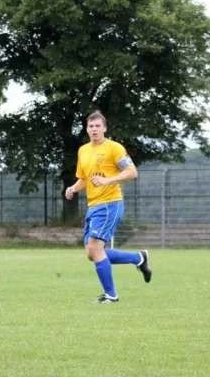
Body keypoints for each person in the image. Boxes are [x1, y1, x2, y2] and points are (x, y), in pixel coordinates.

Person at [65, 111, 152, 304]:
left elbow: (132, 172)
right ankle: (139, 258)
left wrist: (108, 180)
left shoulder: (114, 148)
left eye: (98, 126)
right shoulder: (83, 151)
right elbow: (84, 179)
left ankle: (111, 295)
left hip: (110, 204)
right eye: (91, 126)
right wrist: (73, 188)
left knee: (96, 248)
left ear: (104, 128)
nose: (94, 129)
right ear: (87, 129)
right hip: (93, 206)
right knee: (92, 252)